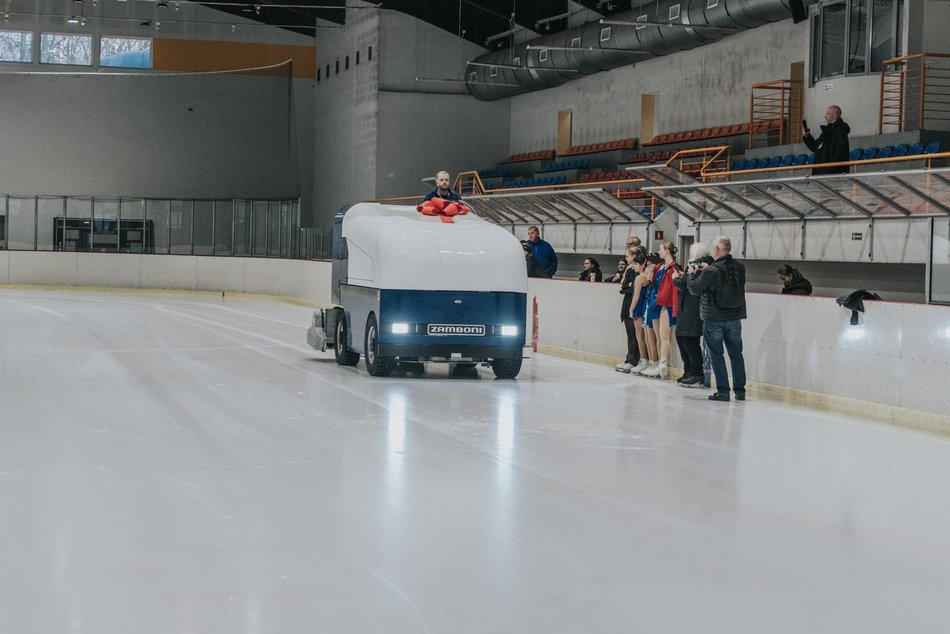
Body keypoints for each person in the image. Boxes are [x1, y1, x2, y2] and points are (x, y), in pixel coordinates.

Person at [687, 236, 747, 402]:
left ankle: (723, 391)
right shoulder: (740, 268)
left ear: (716, 250)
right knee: (736, 354)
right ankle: (740, 391)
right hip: (735, 317)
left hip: (714, 317)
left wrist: (692, 274)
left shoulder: (712, 271)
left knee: (717, 354)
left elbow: (694, 289)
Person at [671, 244, 712, 387]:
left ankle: (696, 373)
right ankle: (688, 370)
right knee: (682, 338)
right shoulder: (695, 267)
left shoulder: (701, 266)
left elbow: (685, 285)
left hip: (693, 309)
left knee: (690, 341)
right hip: (686, 307)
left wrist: (676, 278)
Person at [640, 241, 680, 379]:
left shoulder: (674, 267)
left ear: (668, 251)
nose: (659, 251)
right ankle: (657, 363)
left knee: (664, 336)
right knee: (657, 336)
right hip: (655, 301)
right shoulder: (659, 267)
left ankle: (663, 363)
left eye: (661, 249)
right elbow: (651, 280)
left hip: (665, 303)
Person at [614, 248, 642, 373]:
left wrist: (630, 286)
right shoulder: (629, 270)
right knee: (630, 334)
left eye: (627, 256)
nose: (626, 259)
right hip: (627, 303)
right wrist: (629, 286)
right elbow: (623, 287)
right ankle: (630, 358)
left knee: (636, 334)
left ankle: (635, 359)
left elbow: (636, 289)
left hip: (635, 304)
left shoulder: (639, 271)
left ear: (634, 256)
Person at [802, 105, 851, 175]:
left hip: (832, 174)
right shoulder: (826, 132)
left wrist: (828, 169)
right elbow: (816, 147)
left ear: (835, 115)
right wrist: (807, 136)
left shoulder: (841, 131)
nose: (825, 116)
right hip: (821, 172)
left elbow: (840, 153)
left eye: (827, 114)